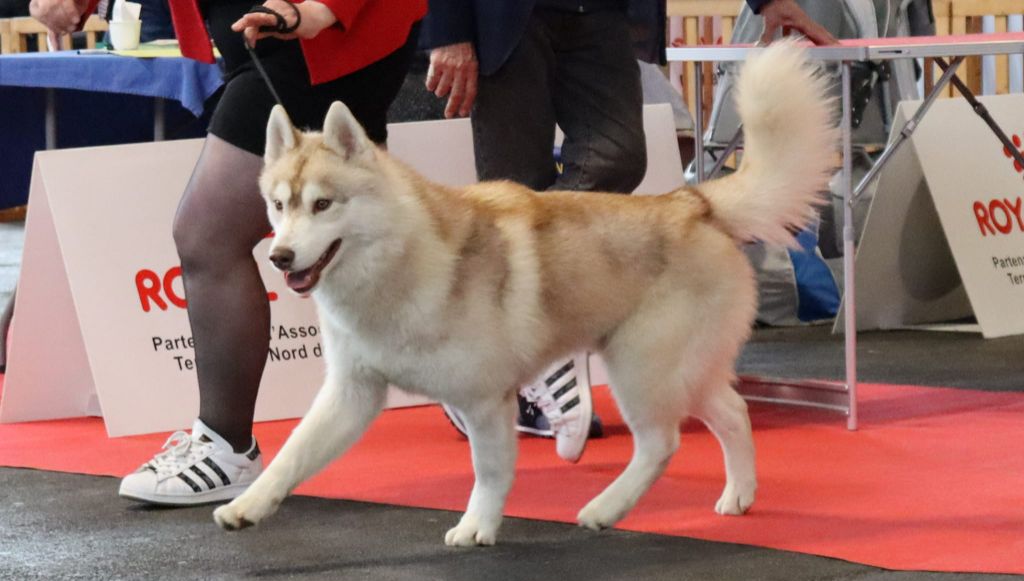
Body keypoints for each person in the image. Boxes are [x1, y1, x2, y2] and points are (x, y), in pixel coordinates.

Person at [30, 0, 425, 505]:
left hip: (305, 39)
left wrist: (320, 8)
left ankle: (226, 448)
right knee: (349, 230)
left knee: (207, 235)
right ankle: (471, 373)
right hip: (275, 40)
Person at [421, 0, 834, 464]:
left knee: (615, 156)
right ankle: (501, 380)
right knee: (514, 188)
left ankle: (496, 358)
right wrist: (447, 30)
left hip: (599, 11)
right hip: (501, 16)